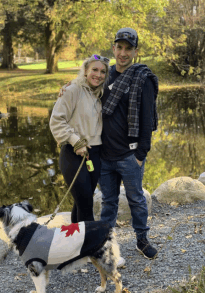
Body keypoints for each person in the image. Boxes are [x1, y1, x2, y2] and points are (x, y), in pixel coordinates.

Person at [99, 27, 158, 262]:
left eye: (128, 48)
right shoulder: (104, 73)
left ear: (135, 51)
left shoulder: (142, 78)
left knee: (136, 199)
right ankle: (106, 243)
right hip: (104, 155)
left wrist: (141, 154)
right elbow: (83, 91)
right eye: (119, 47)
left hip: (129, 155)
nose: (123, 53)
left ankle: (142, 240)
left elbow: (146, 119)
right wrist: (65, 90)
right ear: (113, 48)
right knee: (108, 202)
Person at [50, 55, 110, 223]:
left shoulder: (100, 93)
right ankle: (90, 247)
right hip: (73, 153)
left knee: (81, 203)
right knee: (86, 206)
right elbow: (56, 120)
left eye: (103, 71)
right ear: (85, 71)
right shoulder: (73, 90)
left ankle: (75, 243)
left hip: (95, 154)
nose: (98, 74)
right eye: (94, 70)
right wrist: (75, 140)